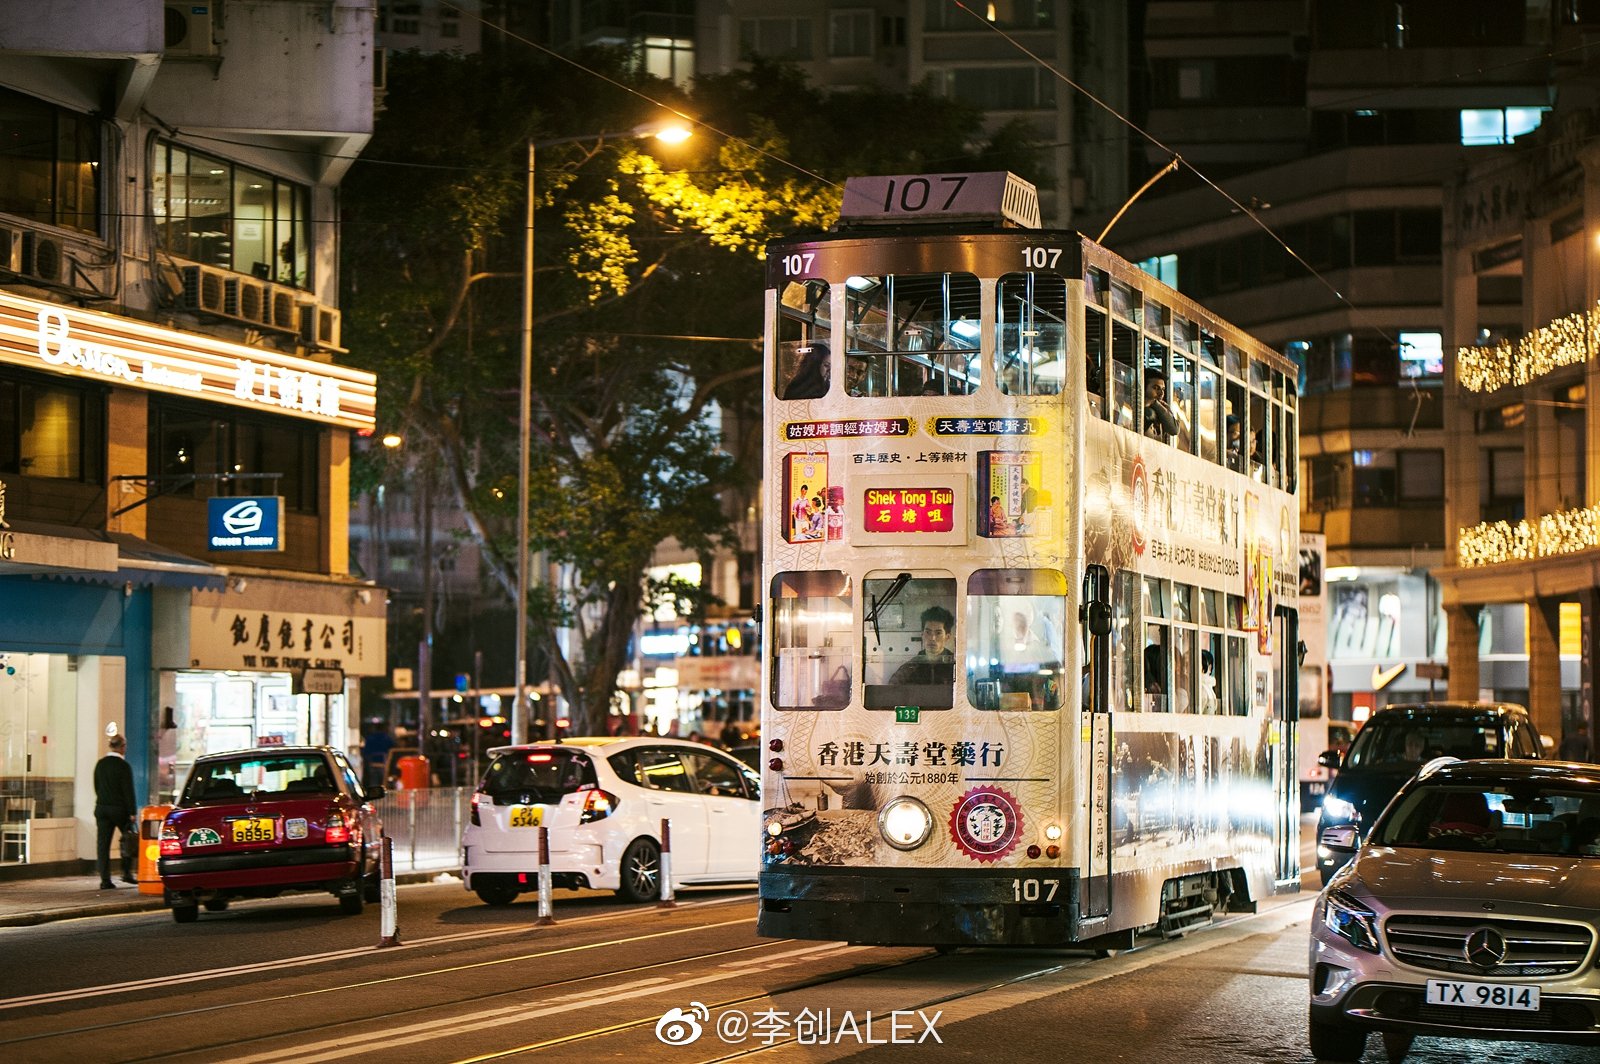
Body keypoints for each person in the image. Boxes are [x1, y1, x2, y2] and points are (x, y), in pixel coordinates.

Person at [93, 734, 139, 889]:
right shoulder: (123, 766)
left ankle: (105, 880)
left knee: (102, 845)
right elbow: (128, 790)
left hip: (102, 808)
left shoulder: (100, 764)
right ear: (122, 747)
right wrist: (132, 812)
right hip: (119, 809)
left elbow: (97, 786)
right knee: (128, 839)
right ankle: (126, 872)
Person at [890, 606, 956, 685]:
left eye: (938, 633)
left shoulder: (954, 666)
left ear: (947, 637)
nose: (932, 638)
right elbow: (892, 688)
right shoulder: (911, 667)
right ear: (922, 634)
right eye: (928, 632)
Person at [1144, 370, 1180, 442]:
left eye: (1163, 389)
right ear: (1143, 387)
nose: (1161, 393)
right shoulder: (1132, 407)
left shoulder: (1158, 407)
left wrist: (1155, 403)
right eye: (1156, 388)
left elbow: (1174, 430)